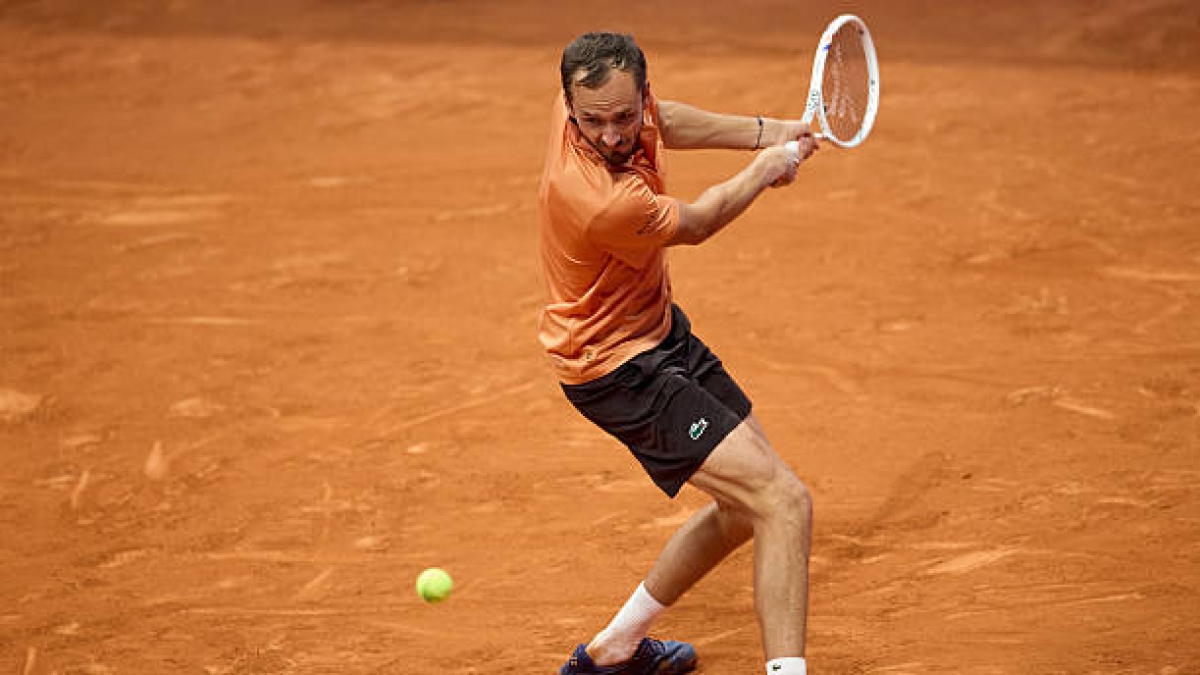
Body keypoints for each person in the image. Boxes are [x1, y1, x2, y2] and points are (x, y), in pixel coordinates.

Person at [538, 32, 819, 675]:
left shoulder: (597, 99)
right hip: (616, 369)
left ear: (641, 93)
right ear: (569, 107)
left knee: (748, 507)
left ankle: (613, 652)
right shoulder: (600, 200)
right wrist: (767, 167)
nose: (612, 136)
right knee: (783, 500)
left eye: (625, 116)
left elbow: (668, 120)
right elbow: (698, 222)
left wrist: (767, 131)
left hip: (660, 334)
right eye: (594, 123)